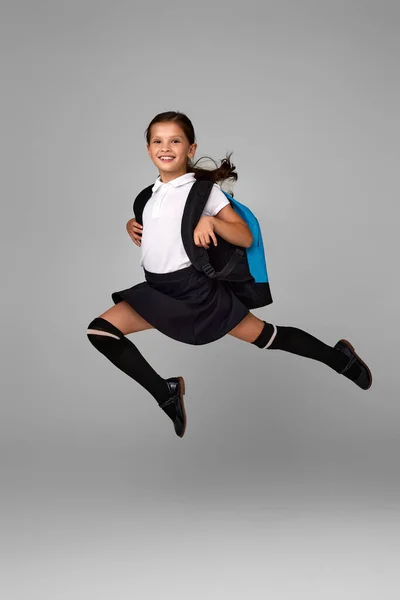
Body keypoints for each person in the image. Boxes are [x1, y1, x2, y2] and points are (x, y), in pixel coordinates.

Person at [87, 111, 372, 439]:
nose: (166, 147)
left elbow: (244, 236)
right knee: (101, 331)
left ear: (190, 149)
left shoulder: (203, 193)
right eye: (158, 141)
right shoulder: (147, 198)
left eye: (175, 141)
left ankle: (340, 359)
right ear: (149, 149)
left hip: (196, 293)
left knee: (266, 337)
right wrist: (130, 224)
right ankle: (166, 392)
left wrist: (213, 223)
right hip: (159, 290)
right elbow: (160, 227)